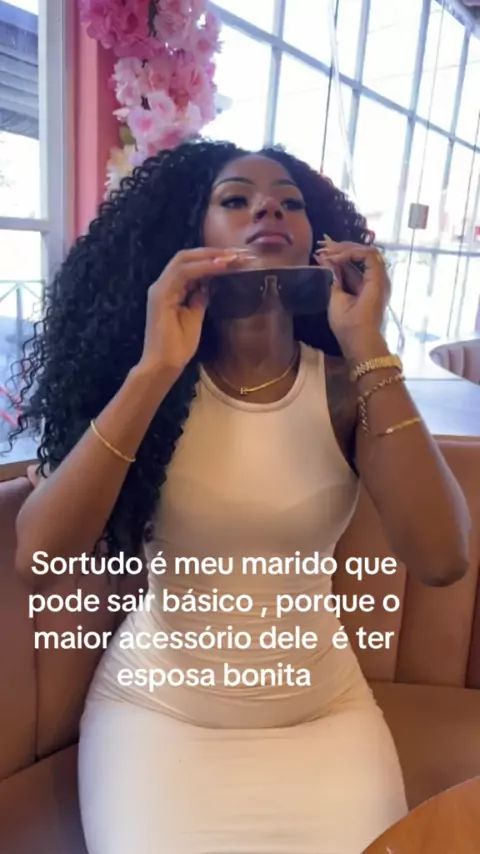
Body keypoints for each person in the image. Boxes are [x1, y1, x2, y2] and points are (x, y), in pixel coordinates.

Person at [11, 139, 471, 854]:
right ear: (187, 236)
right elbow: (39, 559)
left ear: (318, 240)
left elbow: (443, 559)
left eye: (290, 202)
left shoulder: (346, 389)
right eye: (236, 199)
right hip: (158, 721)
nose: (269, 209)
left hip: (324, 721)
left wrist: (368, 345)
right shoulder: (154, 387)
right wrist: (155, 367)